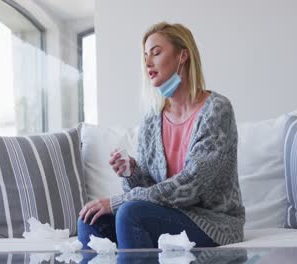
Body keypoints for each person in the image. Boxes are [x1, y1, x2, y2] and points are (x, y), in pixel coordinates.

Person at [77, 22, 245, 249]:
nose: (147, 63)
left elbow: (192, 186)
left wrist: (119, 201)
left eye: (156, 53)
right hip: (165, 214)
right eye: (145, 56)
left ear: (182, 55)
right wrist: (132, 172)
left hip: (212, 222)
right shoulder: (152, 119)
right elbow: (149, 189)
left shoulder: (217, 110)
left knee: (129, 213)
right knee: (90, 220)